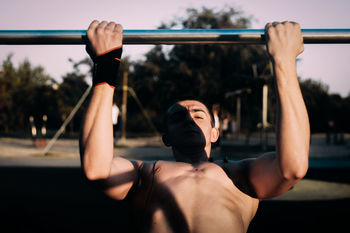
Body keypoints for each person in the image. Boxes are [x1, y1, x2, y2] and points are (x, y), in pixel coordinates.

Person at [80, 20, 310, 233]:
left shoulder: (240, 175)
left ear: (214, 133)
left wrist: (284, 62)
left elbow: (293, 167)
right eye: (179, 117)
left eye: (198, 114)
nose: (189, 118)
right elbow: (96, 168)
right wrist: (106, 64)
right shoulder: (145, 174)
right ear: (166, 138)